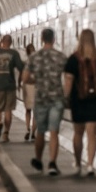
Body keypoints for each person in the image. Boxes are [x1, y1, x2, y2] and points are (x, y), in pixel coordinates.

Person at [63, 30, 96, 176]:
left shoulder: (73, 59)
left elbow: (69, 81)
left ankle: (77, 163)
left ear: (80, 40)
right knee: (92, 134)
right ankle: (90, 165)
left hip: (79, 100)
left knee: (78, 133)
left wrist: (66, 97)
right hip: (95, 100)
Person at [24, 29, 68, 176]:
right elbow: (68, 77)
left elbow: (25, 78)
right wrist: (66, 95)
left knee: (41, 131)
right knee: (54, 132)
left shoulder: (34, 57)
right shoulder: (61, 57)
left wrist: (36, 80)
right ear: (54, 39)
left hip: (41, 98)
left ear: (42, 38)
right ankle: (52, 164)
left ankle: (38, 160)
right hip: (56, 98)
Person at [0, 34, 25, 142]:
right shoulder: (14, 53)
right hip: (10, 85)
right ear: (11, 42)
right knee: (8, 110)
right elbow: (21, 67)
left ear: (2, 41)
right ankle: (5, 134)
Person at [22, 43, 37, 141]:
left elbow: (23, 76)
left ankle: (28, 129)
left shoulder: (25, 61)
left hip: (27, 86)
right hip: (36, 86)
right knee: (35, 111)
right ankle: (33, 132)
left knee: (28, 110)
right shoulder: (38, 61)